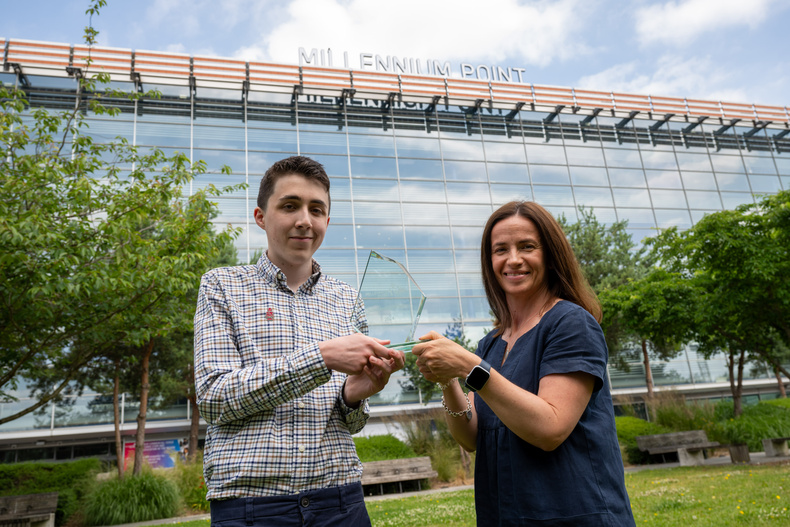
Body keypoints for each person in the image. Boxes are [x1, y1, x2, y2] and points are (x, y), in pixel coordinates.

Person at [194, 156, 405, 526]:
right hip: (251, 506)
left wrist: (354, 395)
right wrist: (321, 358)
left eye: (316, 209)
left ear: (327, 221)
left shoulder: (347, 298)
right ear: (261, 216)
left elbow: (352, 424)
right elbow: (213, 398)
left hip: (341, 500)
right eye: (290, 206)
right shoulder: (221, 285)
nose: (304, 220)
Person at [412, 201, 635, 526]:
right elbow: (471, 437)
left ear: (549, 254)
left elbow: (551, 428)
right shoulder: (491, 343)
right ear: (490, 262)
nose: (513, 259)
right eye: (500, 249)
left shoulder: (571, 324)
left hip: (574, 516)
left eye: (527, 246)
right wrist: (447, 379)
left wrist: (469, 367)